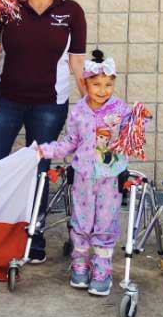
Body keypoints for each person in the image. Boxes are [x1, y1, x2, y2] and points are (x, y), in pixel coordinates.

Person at [0, 0, 87, 263]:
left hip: (49, 106)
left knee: (39, 169)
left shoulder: (72, 12)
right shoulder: (8, 8)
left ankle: (33, 235)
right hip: (7, 101)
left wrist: (92, 108)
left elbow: (77, 64)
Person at [35, 50, 149, 296]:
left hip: (110, 178)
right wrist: (46, 150)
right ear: (84, 83)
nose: (102, 89)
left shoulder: (120, 110)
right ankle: (79, 263)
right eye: (96, 84)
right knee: (82, 220)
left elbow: (133, 133)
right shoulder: (78, 111)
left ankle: (102, 268)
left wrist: (140, 119)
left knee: (105, 221)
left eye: (108, 84)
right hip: (83, 177)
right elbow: (70, 142)